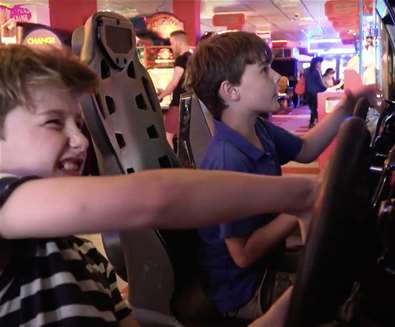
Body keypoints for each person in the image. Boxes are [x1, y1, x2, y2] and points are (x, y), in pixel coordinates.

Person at [0, 44, 322, 326]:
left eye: (79, 124)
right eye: (54, 122)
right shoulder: (4, 208)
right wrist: (299, 194)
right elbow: (157, 198)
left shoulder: (84, 256)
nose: (81, 139)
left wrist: (290, 306)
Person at [185, 31, 377, 321]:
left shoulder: (259, 129)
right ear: (231, 91)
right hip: (243, 290)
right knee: (350, 303)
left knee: (357, 268)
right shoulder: (228, 160)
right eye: (264, 71)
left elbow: (307, 148)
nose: (277, 77)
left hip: (267, 262)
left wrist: (347, 105)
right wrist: (296, 206)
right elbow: (243, 254)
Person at [158, 30, 192, 148]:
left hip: (177, 104)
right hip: (189, 102)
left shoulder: (181, 59)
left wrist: (160, 96)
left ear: (178, 42)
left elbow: (174, 83)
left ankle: (173, 165)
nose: (171, 47)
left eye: (172, 43)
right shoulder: (192, 58)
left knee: (167, 137)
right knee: (186, 138)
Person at [304, 56, 327, 128]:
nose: (320, 64)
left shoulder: (306, 70)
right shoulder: (317, 71)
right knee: (314, 109)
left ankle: (311, 123)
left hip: (308, 92)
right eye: (320, 63)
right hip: (316, 93)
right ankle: (318, 120)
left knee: (312, 108)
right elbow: (320, 83)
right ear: (316, 63)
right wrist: (327, 88)